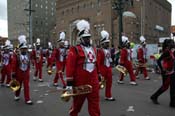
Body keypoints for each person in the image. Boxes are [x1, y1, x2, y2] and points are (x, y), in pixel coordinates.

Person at [66, 19, 100, 116]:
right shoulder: (75, 49)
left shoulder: (94, 49)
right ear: (80, 38)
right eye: (85, 38)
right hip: (80, 82)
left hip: (93, 81)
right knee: (77, 105)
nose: (87, 39)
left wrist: (99, 75)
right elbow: (70, 66)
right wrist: (69, 83)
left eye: (88, 37)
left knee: (95, 105)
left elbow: (96, 63)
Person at [150, 39, 175, 108]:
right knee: (165, 87)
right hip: (166, 72)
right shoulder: (166, 52)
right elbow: (158, 61)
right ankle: (154, 96)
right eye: (171, 43)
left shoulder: (171, 51)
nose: (173, 44)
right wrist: (162, 70)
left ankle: (172, 102)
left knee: (173, 87)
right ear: (168, 45)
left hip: (172, 72)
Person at [12, 35, 33, 105]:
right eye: (23, 48)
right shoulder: (17, 55)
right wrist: (14, 73)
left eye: (25, 48)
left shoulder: (28, 55)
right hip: (19, 72)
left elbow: (30, 62)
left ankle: (27, 99)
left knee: (26, 85)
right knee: (19, 85)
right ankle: (17, 95)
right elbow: (14, 64)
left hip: (26, 72)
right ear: (20, 49)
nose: (24, 50)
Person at [98, 30, 115, 101]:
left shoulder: (109, 50)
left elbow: (109, 58)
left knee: (109, 83)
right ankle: (95, 94)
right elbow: (98, 62)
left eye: (108, 43)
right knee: (100, 83)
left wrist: (111, 61)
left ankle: (108, 95)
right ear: (102, 44)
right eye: (106, 43)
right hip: (102, 68)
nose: (108, 44)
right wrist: (98, 72)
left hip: (108, 68)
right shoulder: (100, 51)